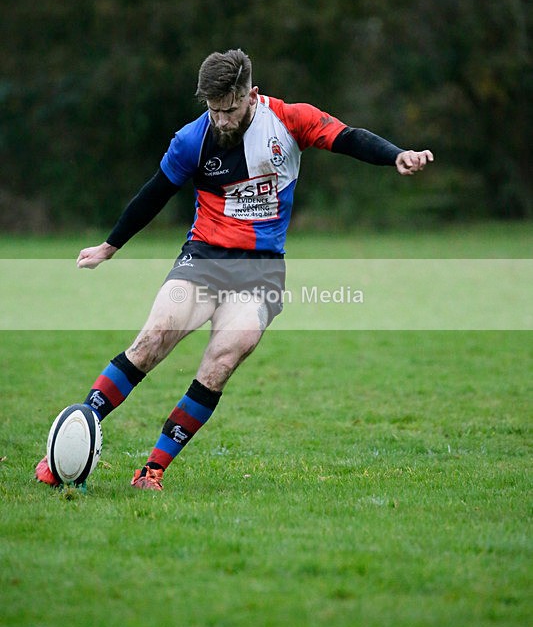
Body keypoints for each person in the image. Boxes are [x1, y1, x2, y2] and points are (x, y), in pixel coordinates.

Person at [35, 48, 434, 491]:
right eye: (213, 109)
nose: (221, 120)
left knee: (224, 357)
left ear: (250, 95)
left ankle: (152, 470)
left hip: (261, 270)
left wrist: (397, 154)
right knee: (153, 339)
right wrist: (110, 246)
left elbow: (349, 137)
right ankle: (66, 446)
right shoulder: (193, 139)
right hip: (204, 257)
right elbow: (155, 193)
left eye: (229, 109)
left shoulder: (288, 120)